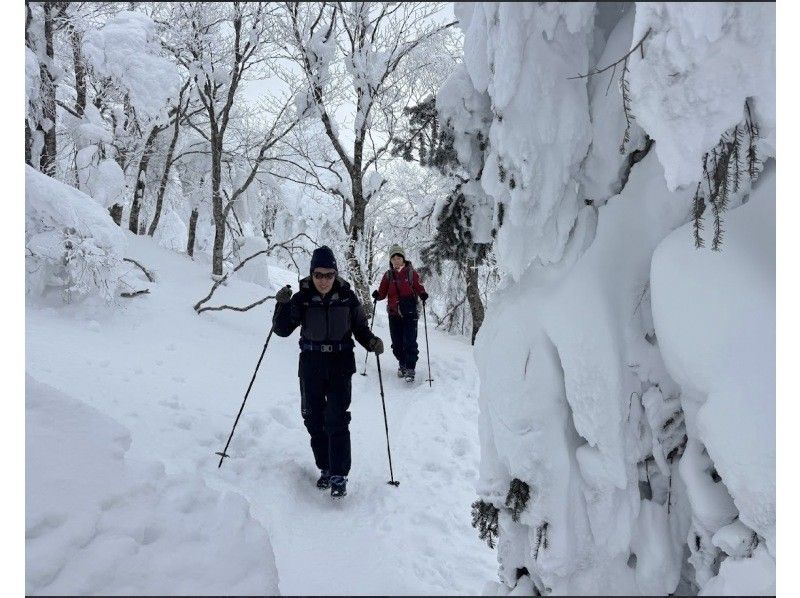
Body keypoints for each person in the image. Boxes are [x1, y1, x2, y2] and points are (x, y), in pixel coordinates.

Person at [273, 245, 384, 498]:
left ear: (336, 274)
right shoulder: (301, 298)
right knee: (313, 418)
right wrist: (280, 306)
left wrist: (372, 342)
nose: (324, 280)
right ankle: (324, 466)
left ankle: (339, 474)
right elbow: (281, 330)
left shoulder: (347, 297)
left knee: (336, 418)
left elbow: (360, 329)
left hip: (340, 363)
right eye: (319, 275)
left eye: (329, 274)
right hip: (310, 363)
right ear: (312, 274)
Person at [371, 245, 428, 383]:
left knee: (410, 341)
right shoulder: (388, 275)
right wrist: (377, 295)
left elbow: (419, 287)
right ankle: (402, 363)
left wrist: (423, 294)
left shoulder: (411, 273)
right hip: (393, 314)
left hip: (410, 312)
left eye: (399, 258)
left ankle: (410, 368)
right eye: (393, 258)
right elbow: (383, 293)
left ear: (403, 259)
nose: (396, 261)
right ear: (391, 260)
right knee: (397, 344)